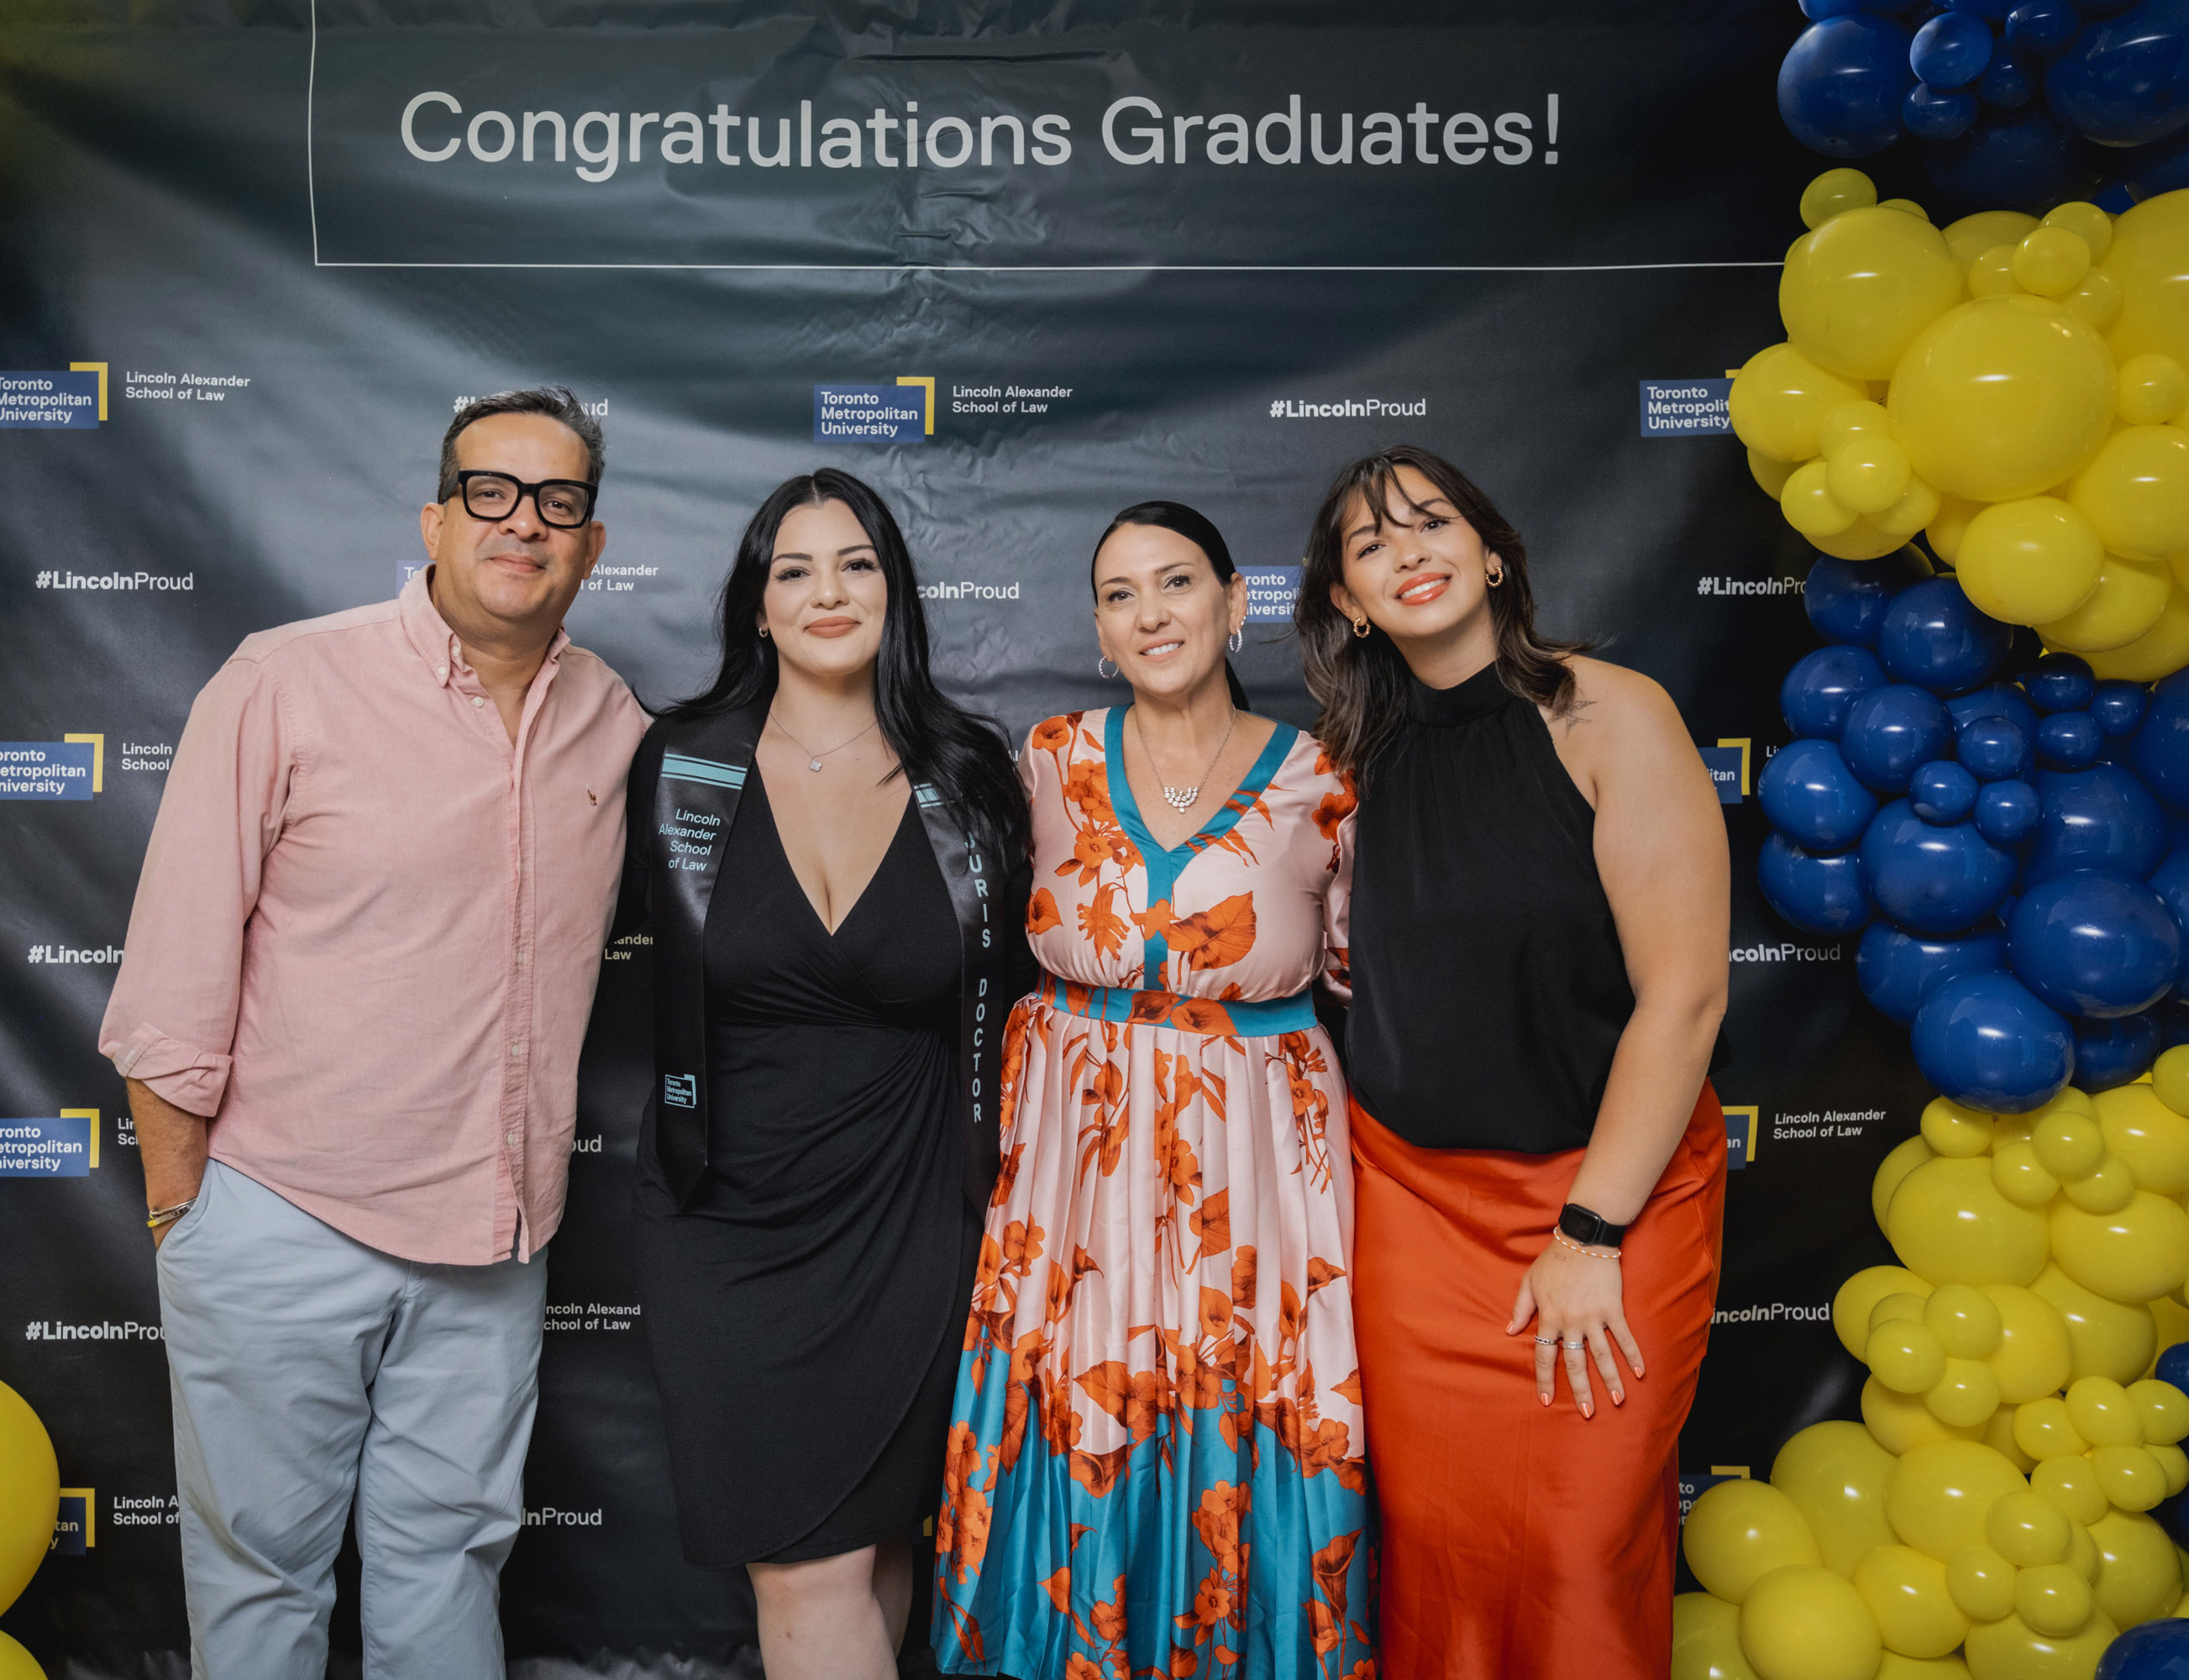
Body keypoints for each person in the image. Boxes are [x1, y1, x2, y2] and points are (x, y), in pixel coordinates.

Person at [98, 388, 647, 1677]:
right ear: (438, 519)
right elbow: (175, 963)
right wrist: (189, 1209)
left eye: (559, 502)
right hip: (284, 1213)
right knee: (262, 1581)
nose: (525, 524)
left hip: (494, 1239)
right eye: (491, 494)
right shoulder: (287, 678)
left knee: (451, 1562)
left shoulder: (613, 720)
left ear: (594, 542)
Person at [1296, 444, 1729, 1677]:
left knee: (1580, 1552)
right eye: (1371, 545)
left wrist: (1590, 1233)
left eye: (1431, 523)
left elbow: (1686, 996)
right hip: (1418, 1213)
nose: (1407, 554)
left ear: (1491, 553)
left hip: (1608, 1201)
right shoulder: (1354, 759)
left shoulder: (1609, 713)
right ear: (1346, 599)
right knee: (1439, 1545)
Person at [934, 501, 1375, 1680]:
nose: (1151, 614)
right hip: (1074, 1154)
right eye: (1121, 595)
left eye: (1176, 584)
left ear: (1237, 604)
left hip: (1258, 1159)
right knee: (1075, 1386)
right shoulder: (1050, 758)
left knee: (1247, 1394)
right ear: (1098, 628)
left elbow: (1353, 971)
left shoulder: (1323, 777)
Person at [624, 468, 1033, 1680]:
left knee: (871, 1547)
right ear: (756, 605)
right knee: (804, 1568)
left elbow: (1029, 997)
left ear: (894, 590)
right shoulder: (681, 762)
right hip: (725, 1214)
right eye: (792, 569)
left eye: (855, 562)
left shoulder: (967, 770)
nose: (826, 591)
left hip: (912, 1210)